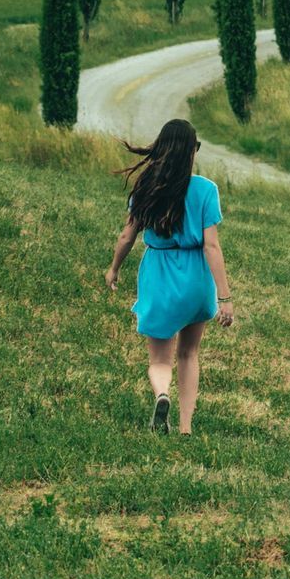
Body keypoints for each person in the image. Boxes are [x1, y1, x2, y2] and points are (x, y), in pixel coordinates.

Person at [105, 117, 233, 433]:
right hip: (195, 279)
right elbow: (212, 247)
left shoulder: (146, 188)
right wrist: (225, 297)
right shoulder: (205, 190)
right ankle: (186, 427)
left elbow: (127, 237)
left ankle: (162, 394)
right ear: (192, 151)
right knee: (189, 354)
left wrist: (114, 269)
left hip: (158, 275)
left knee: (160, 361)